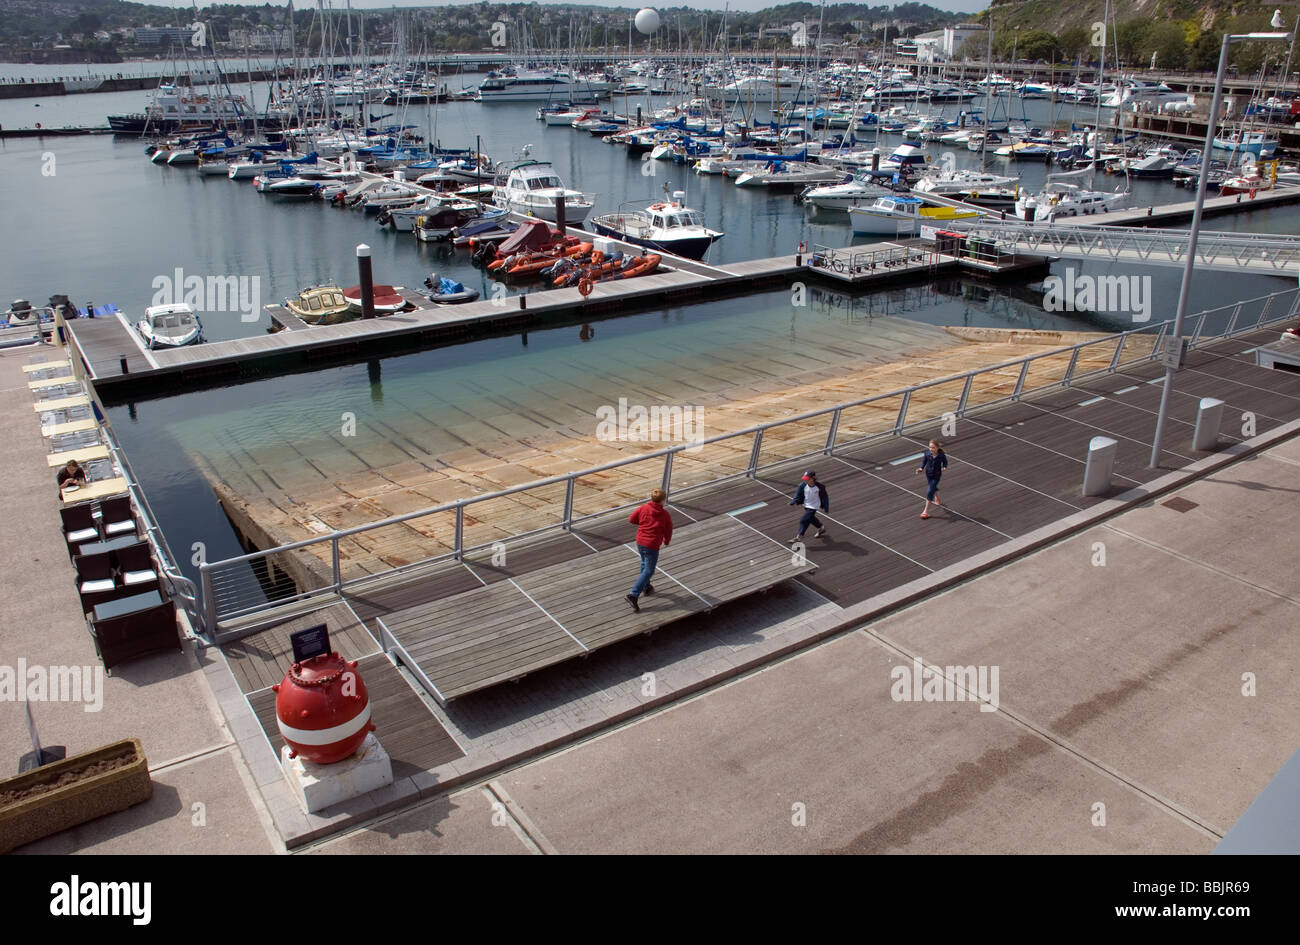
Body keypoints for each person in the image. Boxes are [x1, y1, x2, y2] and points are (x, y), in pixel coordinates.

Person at [625, 488, 672, 613]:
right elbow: (668, 530)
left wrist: (643, 525)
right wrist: (666, 541)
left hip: (640, 541)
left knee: (644, 563)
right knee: (649, 570)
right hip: (652, 545)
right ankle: (633, 595)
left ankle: (646, 586)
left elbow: (632, 519)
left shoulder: (643, 508)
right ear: (663, 500)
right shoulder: (665, 514)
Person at [789, 470, 829, 544]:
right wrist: (793, 501)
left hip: (814, 506)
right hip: (806, 504)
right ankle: (821, 528)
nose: (805, 480)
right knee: (811, 518)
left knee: (804, 520)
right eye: (804, 478)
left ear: (812, 478)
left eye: (807, 478)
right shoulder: (802, 486)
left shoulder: (820, 487)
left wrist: (826, 507)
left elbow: (825, 497)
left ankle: (798, 537)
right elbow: (797, 494)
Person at [915, 440, 949, 519]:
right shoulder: (927, 454)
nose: (931, 449)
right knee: (932, 487)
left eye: (933, 447)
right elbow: (923, 462)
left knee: (930, 491)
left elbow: (945, 462)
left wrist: (944, 467)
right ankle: (936, 497)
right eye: (930, 447)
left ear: (937, 448)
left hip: (937, 475)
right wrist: (921, 468)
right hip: (928, 474)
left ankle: (925, 512)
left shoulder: (941, 455)